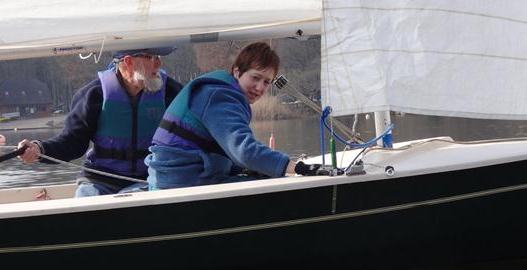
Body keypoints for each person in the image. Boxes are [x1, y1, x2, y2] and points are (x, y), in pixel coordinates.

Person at [145, 41, 330, 190]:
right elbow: (244, 151)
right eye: (255, 78)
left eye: (267, 82)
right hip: (180, 182)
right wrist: (297, 167)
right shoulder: (219, 96)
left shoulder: (223, 92)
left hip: (177, 176)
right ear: (237, 72)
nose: (260, 88)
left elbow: (229, 153)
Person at [18, 48, 183, 196]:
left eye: (158, 57)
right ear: (129, 61)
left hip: (151, 178)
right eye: (151, 57)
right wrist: (40, 148)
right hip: (101, 180)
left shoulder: (173, 92)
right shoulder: (93, 95)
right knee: (86, 201)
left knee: (137, 198)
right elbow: (72, 143)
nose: (158, 63)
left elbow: (193, 137)